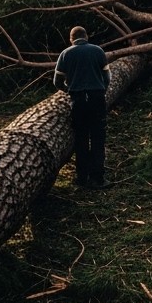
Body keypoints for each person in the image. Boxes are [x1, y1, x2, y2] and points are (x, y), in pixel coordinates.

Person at [54, 26, 111, 189]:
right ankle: (98, 178)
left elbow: (56, 82)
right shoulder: (98, 51)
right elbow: (107, 78)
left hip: (77, 99)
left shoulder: (65, 54)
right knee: (98, 138)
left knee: (81, 138)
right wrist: (101, 90)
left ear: (71, 39)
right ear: (86, 36)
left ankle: (82, 178)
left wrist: (69, 90)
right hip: (96, 98)